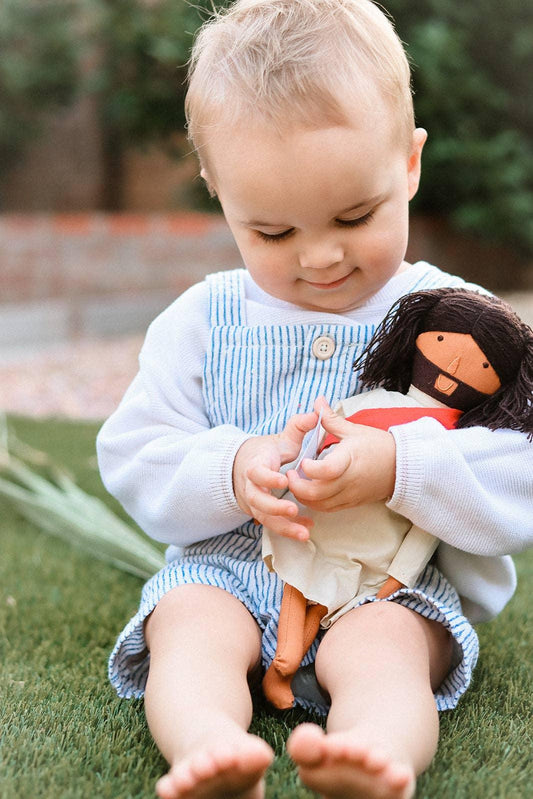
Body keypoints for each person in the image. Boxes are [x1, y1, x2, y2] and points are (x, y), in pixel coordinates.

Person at [96, 1, 533, 797]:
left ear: (408, 163)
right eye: (273, 232)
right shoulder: (201, 319)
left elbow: (520, 466)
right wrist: (230, 469)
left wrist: (400, 466)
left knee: (386, 653)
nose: (321, 256)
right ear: (218, 191)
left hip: (384, 585)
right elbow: (133, 450)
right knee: (187, 630)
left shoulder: (459, 322)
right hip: (226, 570)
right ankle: (209, 746)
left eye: (354, 216)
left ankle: (373, 755)